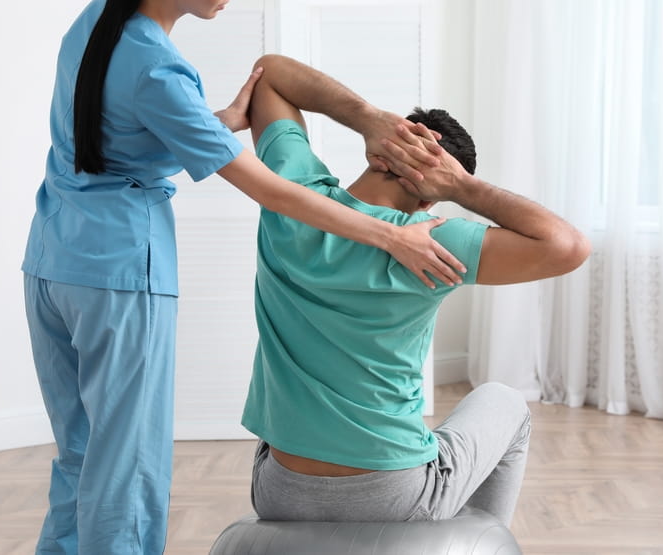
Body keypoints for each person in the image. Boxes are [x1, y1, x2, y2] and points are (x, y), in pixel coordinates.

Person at [21, 0, 466, 554]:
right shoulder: (161, 69)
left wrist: (219, 122)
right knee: (127, 463)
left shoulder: (99, 19)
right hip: (120, 275)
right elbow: (272, 190)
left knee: (81, 453)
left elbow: (119, 126)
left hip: (52, 260)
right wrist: (388, 232)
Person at [240, 54, 591, 526]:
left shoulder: (292, 197)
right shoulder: (428, 245)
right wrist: (464, 188)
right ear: (433, 195)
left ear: (377, 153)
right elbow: (568, 247)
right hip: (393, 494)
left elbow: (272, 74)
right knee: (507, 404)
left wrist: (367, 120)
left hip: (280, 492)